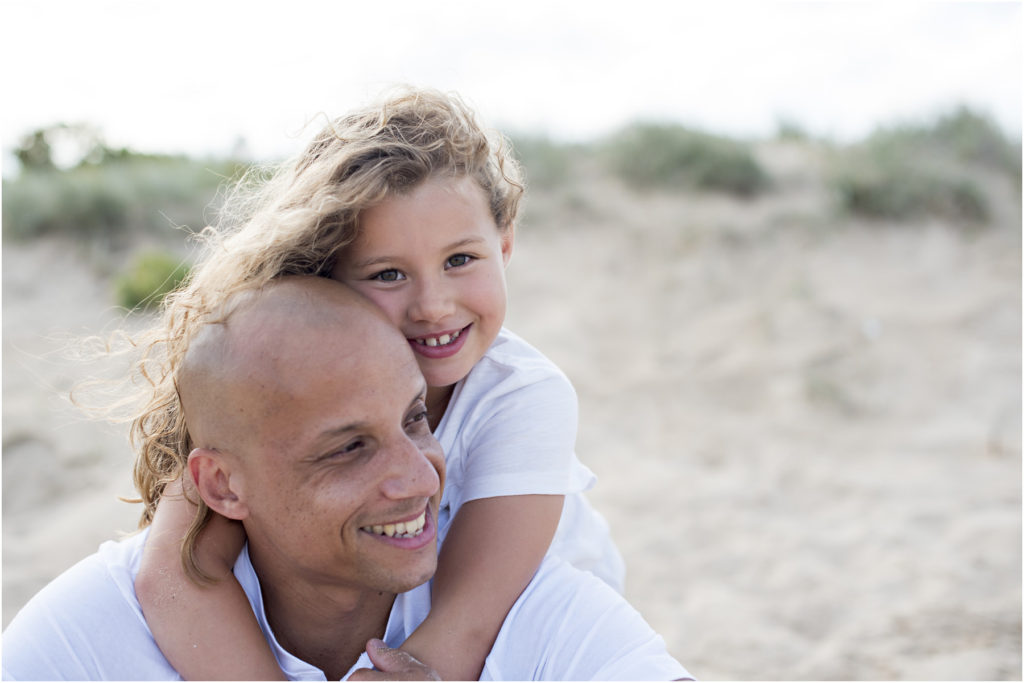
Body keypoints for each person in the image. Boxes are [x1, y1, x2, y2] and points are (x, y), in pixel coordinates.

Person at [134, 87, 625, 680]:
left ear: (505, 244)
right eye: (388, 274)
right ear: (327, 279)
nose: (434, 306)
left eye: (461, 260)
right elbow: (173, 576)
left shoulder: (521, 395)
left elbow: (466, 624)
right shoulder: (275, 396)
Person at [1, 276, 691, 681]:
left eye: (417, 418)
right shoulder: (85, 641)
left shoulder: (536, 616)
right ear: (221, 486)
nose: (419, 477)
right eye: (350, 448)